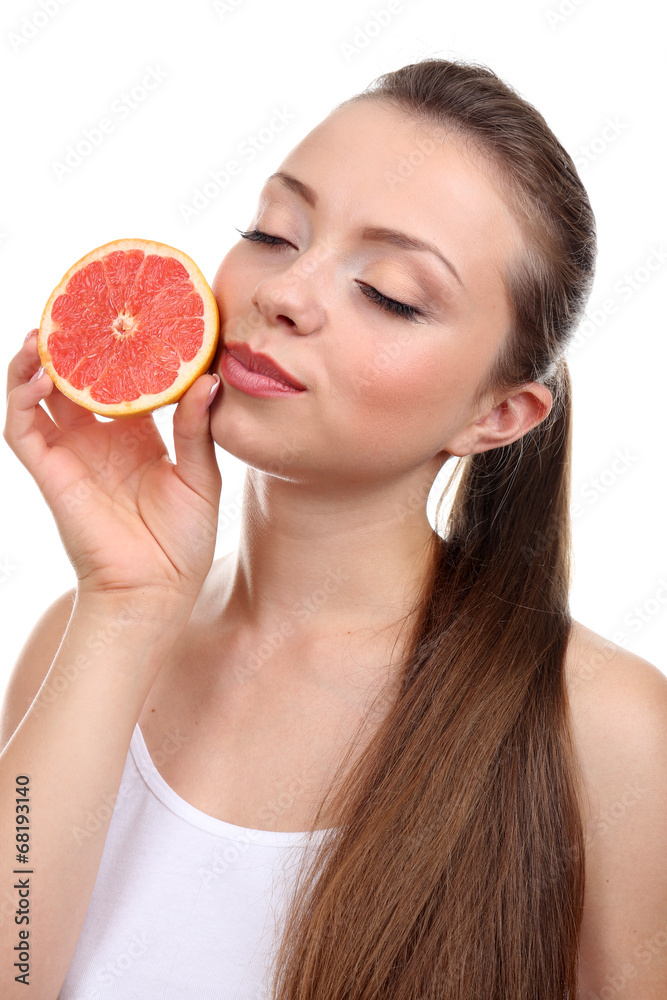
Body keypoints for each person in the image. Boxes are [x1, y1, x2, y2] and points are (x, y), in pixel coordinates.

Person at [2, 57, 666, 1000]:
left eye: (390, 293)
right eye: (274, 233)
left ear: (497, 416)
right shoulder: (87, 640)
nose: (287, 292)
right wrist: (124, 605)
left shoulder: (603, 729)